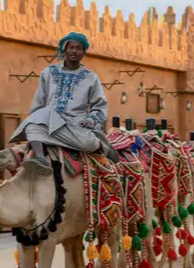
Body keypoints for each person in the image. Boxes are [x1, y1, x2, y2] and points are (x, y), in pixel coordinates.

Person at [9, 32, 120, 176]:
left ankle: (102, 147)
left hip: (75, 124)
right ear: (64, 49)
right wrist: (35, 119)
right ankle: (40, 160)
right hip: (49, 120)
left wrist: (90, 119)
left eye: (78, 48)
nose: (74, 51)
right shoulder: (48, 73)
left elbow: (99, 106)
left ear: (84, 52)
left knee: (89, 144)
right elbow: (39, 101)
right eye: (71, 47)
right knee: (33, 125)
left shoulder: (91, 78)